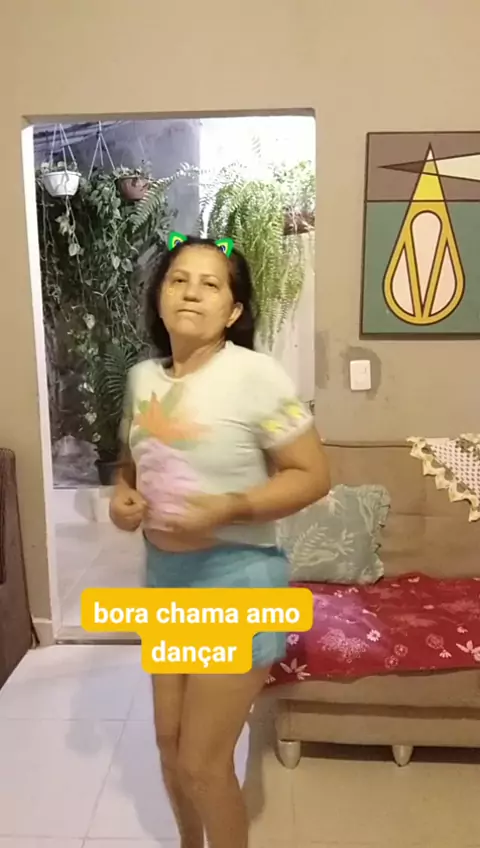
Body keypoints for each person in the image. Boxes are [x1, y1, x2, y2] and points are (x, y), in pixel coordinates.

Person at [109, 234, 330, 848]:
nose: (191, 292)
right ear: (159, 296)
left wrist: (231, 506)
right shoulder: (141, 379)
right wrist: (122, 498)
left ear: (233, 311)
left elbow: (313, 475)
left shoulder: (256, 376)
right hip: (166, 582)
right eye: (179, 279)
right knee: (169, 743)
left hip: (236, 582)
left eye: (210, 284)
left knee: (203, 765)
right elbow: (134, 464)